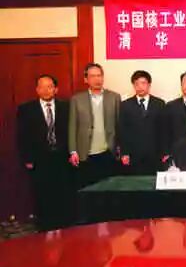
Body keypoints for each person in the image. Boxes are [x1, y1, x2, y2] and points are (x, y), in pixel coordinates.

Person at [17, 74, 71, 230]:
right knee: (41, 193)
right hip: (39, 158)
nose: (46, 90)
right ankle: (44, 226)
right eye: (42, 87)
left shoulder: (66, 107)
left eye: (49, 87)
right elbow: (22, 135)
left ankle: (62, 226)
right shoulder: (26, 109)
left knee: (62, 192)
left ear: (56, 89)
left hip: (62, 157)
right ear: (37, 89)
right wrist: (27, 158)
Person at [68, 63, 121, 187]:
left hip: (108, 151)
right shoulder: (77, 99)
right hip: (85, 152)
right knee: (88, 189)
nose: (97, 79)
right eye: (92, 76)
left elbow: (119, 124)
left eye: (99, 75)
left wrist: (120, 147)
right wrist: (73, 151)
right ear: (86, 79)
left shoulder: (114, 97)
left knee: (108, 189)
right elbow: (72, 126)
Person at [118, 70, 166, 175]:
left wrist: (164, 152)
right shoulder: (125, 105)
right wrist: (124, 153)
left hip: (155, 154)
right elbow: (122, 130)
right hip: (134, 154)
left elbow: (163, 130)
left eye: (143, 83)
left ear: (149, 85)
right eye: (136, 84)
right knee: (135, 182)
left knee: (154, 182)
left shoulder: (160, 104)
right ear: (133, 86)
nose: (140, 87)